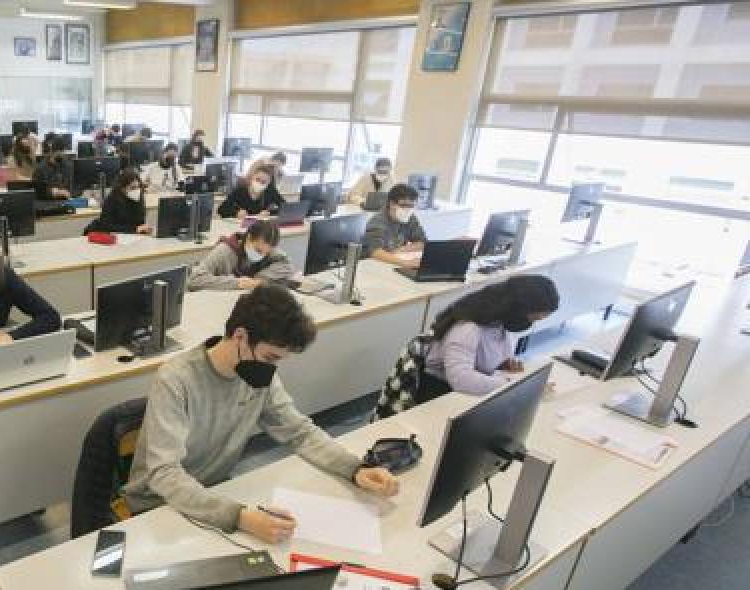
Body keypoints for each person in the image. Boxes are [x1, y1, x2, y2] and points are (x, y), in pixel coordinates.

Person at [120, 284, 399, 541]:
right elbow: (164, 474)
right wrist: (238, 517)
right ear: (240, 336)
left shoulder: (257, 375)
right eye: (270, 357)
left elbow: (299, 432)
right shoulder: (175, 380)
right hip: (158, 506)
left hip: (216, 492)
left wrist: (354, 469)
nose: (273, 367)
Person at [421, 275, 560, 401]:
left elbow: (487, 354)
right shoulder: (467, 329)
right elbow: (462, 380)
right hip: (439, 393)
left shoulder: (500, 319)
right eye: (533, 318)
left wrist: (501, 365)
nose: (530, 324)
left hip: (465, 391)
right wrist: (518, 387)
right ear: (518, 309)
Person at [189, 220, 293, 291]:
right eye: (258, 250)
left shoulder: (267, 250)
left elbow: (286, 265)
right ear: (248, 238)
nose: (261, 256)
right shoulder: (225, 250)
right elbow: (194, 280)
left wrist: (259, 279)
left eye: (266, 253)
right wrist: (238, 283)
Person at [362, 183, 427, 268]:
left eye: (411, 206)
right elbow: (375, 252)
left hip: (394, 261)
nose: (408, 209)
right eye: (404, 205)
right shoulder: (377, 222)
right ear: (392, 204)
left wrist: (402, 249)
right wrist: (405, 263)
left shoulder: (410, 217)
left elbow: (422, 242)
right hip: (376, 264)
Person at [84, 169, 152, 235]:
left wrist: (143, 229)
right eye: (132, 188)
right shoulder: (112, 200)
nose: (137, 190)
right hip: (107, 236)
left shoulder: (139, 197)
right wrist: (134, 229)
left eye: (138, 187)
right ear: (122, 188)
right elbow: (107, 226)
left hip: (129, 237)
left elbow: (140, 222)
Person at [217, 159, 285, 219]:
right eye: (257, 179)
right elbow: (221, 209)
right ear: (252, 177)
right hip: (240, 227)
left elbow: (285, 207)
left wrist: (269, 213)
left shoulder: (270, 191)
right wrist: (236, 213)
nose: (260, 183)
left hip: (259, 227)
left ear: (268, 183)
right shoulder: (241, 191)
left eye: (264, 182)